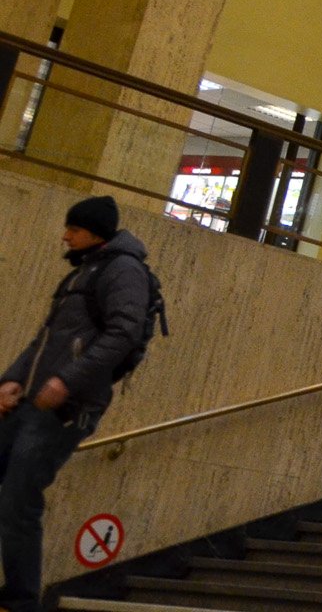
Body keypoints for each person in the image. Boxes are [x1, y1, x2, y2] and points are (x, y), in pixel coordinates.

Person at [1, 197, 154, 612]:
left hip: (67, 408)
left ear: (95, 232)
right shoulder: (83, 272)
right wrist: (13, 379)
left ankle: (20, 601)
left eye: (74, 228)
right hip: (31, 401)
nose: (65, 235)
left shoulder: (123, 271)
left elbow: (122, 334)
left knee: (19, 497)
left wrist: (65, 382)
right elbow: (44, 339)